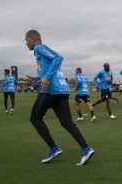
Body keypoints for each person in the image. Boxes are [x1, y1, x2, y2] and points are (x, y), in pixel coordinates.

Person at [24, 30, 94, 165]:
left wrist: (47, 77)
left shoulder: (39, 48)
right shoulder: (41, 52)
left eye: (26, 40)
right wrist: (37, 78)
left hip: (50, 90)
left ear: (33, 39)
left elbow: (59, 58)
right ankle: (86, 149)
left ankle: (54, 148)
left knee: (35, 118)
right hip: (61, 90)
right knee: (67, 122)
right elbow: (49, 69)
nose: (26, 43)